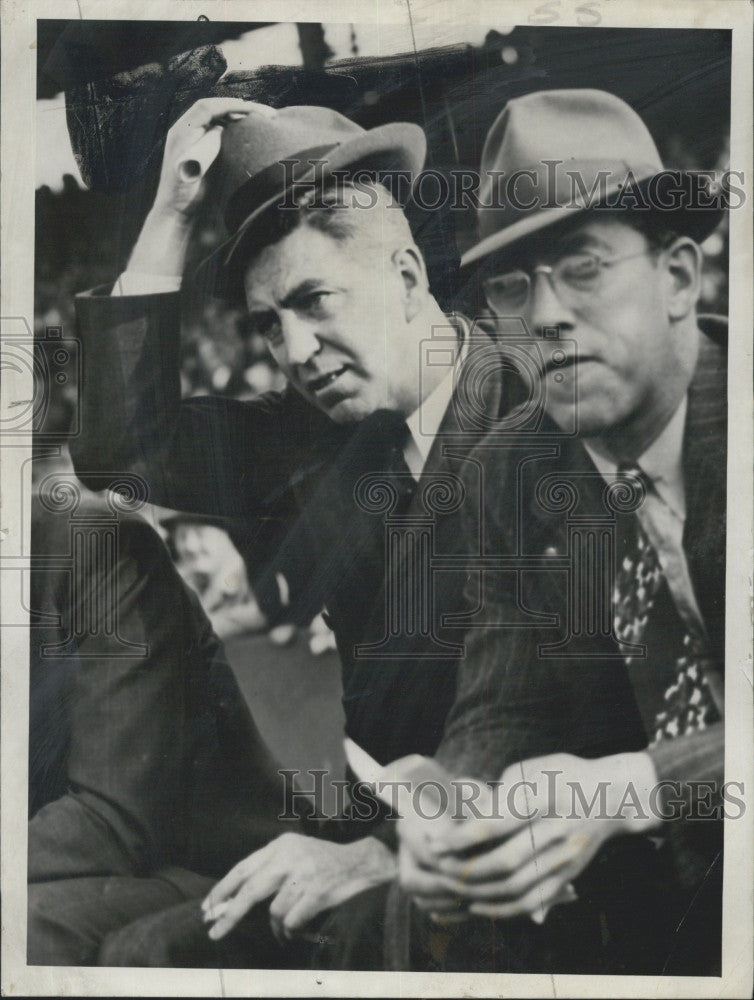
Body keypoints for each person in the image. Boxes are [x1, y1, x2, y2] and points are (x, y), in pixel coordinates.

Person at [38, 98, 516, 965]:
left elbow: (570, 728)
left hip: (457, 874)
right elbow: (119, 451)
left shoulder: (531, 422)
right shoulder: (308, 436)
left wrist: (384, 853)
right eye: (268, 324)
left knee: (142, 958)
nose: (295, 351)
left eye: (313, 301)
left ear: (408, 277)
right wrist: (171, 214)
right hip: (307, 839)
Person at [392, 88, 728, 975]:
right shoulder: (513, 466)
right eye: (511, 286)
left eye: (581, 267)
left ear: (681, 277)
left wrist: (633, 787)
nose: (543, 315)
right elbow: (504, 697)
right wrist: (450, 804)